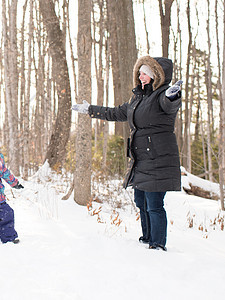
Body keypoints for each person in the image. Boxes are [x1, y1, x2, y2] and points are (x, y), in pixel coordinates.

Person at [72, 56, 183, 251]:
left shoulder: (161, 96)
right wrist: (90, 110)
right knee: (141, 200)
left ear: (155, 75)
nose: (140, 76)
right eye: (139, 73)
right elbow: (115, 113)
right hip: (141, 159)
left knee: (154, 203)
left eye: (144, 73)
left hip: (158, 158)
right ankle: (147, 237)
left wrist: (173, 96)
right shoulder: (138, 99)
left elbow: (169, 104)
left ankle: (157, 244)